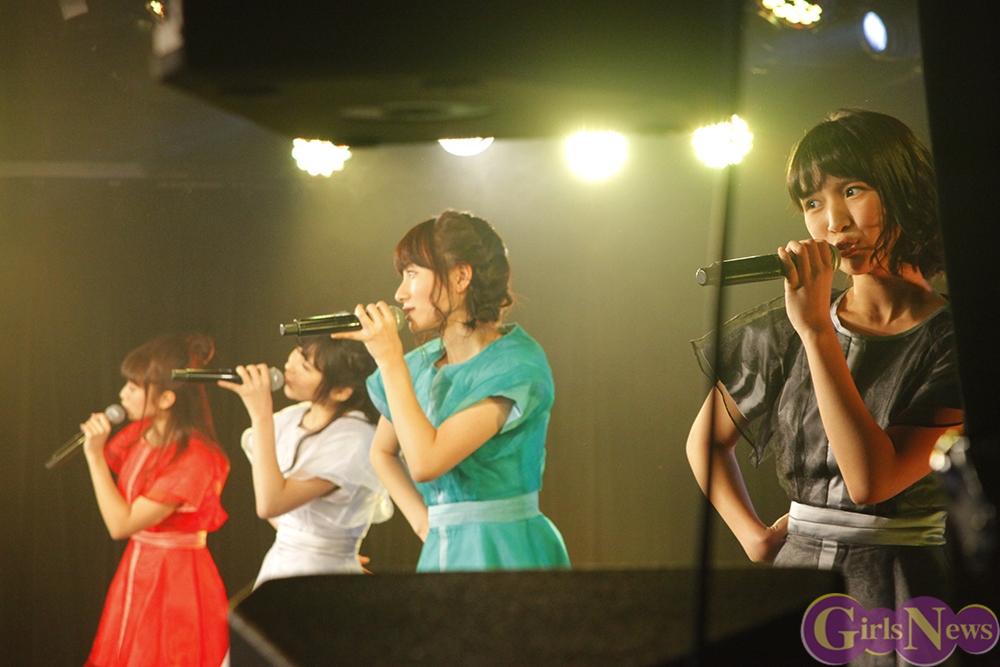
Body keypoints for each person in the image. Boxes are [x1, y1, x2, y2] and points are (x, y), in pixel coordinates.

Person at [687, 110, 963, 629]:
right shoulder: (784, 327)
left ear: (905, 190)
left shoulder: (957, 342)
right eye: (812, 203)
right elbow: (705, 442)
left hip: (904, 587)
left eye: (853, 190)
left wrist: (816, 332)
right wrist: (754, 538)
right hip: (796, 581)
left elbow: (871, 482)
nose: (833, 222)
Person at [336, 209, 570, 572]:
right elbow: (382, 451)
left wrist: (389, 359)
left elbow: (426, 462)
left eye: (412, 273)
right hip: (443, 549)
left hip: (507, 549)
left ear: (461, 276)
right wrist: (424, 524)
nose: (400, 293)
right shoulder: (417, 364)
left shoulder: (515, 364)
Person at [80, 334, 230, 667]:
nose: (123, 394)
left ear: (166, 399)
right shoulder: (140, 435)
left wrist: (94, 456)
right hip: (138, 566)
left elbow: (120, 524)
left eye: (134, 387)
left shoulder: (195, 458)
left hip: (174, 578)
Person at [219, 338, 392, 587]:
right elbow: (276, 503)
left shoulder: (356, 437)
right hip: (279, 563)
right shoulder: (293, 416)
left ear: (341, 391)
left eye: (305, 366)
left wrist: (260, 414)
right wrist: (302, 539)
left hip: (322, 574)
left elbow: (270, 504)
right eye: (298, 355)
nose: (290, 367)